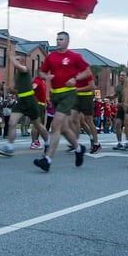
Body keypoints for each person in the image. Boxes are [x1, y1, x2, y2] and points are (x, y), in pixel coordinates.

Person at [34, 31, 89, 172]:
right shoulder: (51, 57)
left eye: (61, 39)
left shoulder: (74, 57)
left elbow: (87, 72)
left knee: (55, 126)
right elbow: (40, 72)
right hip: (55, 95)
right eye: (57, 39)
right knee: (63, 129)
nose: (58, 41)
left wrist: (75, 79)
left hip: (68, 94)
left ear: (67, 42)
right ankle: (78, 149)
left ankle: (47, 160)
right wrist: (46, 75)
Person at [0, 52, 47, 156]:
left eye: (18, 59)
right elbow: (14, 89)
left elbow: (16, 65)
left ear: (22, 62)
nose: (16, 61)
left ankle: (48, 143)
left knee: (38, 125)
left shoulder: (25, 69)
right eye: (16, 59)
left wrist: (10, 56)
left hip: (30, 101)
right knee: (12, 122)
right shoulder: (16, 76)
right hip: (21, 101)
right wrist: (8, 89)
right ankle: (10, 147)